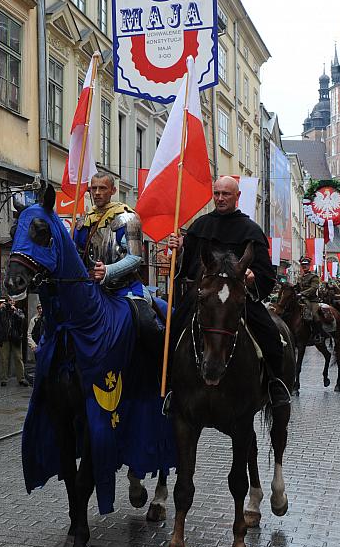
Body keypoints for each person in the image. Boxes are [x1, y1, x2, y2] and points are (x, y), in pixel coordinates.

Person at [168, 175, 290, 407]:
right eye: (217, 193)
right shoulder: (200, 226)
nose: (220, 198)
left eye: (226, 194)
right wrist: (179, 250)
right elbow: (187, 266)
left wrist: (254, 277)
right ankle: (168, 387)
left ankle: (276, 386)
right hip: (203, 298)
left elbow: (265, 271)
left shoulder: (250, 230)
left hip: (237, 298)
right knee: (171, 332)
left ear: (237, 196)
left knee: (271, 335)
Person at [74, 171, 163, 355]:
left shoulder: (127, 218)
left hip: (125, 287)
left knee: (147, 326)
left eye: (103, 188)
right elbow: (76, 255)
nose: (97, 192)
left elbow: (135, 258)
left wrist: (108, 270)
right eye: (94, 188)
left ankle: (156, 365)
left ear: (113, 190)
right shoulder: (83, 222)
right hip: (91, 288)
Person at [0, 296, 29, 387]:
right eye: (9, 301)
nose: (11, 302)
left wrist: (15, 311)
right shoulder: (3, 310)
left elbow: (22, 319)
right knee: (4, 358)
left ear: (15, 302)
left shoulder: (18, 311)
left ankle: (21, 378)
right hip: (5, 337)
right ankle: (3, 379)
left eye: (13, 301)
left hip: (16, 337)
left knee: (18, 357)